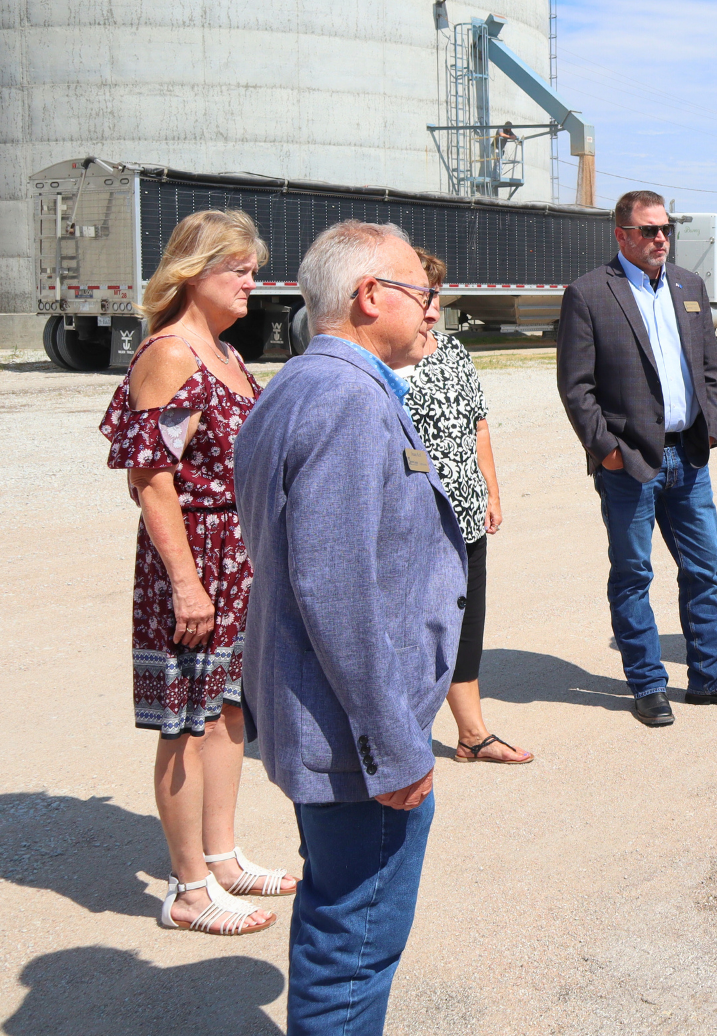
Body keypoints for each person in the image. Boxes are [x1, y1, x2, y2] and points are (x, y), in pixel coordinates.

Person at [236, 220, 466, 1035]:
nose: (435, 311)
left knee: (340, 916)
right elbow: (336, 589)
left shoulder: (302, 385)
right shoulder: (344, 401)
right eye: (423, 293)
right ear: (371, 296)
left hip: (329, 718)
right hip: (356, 736)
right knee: (356, 943)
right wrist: (394, 748)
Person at [99, 208, 296, 936]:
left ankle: (222, 856)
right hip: (193, 557)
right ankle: (186, 889)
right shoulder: (172, 353)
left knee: (229, 710)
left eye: (253, 268)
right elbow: (150, 479)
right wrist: (186, 581)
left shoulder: (226, 352)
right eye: (238, 269)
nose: (252, 281)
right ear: (193, 272)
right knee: (183, 720)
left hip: (237, 558)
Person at [556, 189, 717, 726]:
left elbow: (710, 367)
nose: (660, 239)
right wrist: (606, 451)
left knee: (704, 569)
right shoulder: (589, 294)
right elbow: (575, 387)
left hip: (689, 457)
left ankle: (710, 676)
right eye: (649, 230)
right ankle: (648, 684)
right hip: (630, 463)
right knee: (633, 574)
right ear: (622, 234)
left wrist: (711, 427)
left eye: (665, 230)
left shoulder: (688, 286)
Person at [398, 251, 529, 764]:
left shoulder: (452, 350)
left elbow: (477, 424)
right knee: (413, 630)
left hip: (466, 511)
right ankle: (400, 739)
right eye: (422, 298)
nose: (431, 310)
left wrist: (491, 493)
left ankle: (472, 734)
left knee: (465, 623)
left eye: (435, 297)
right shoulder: (382, 360)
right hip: (415, 520)